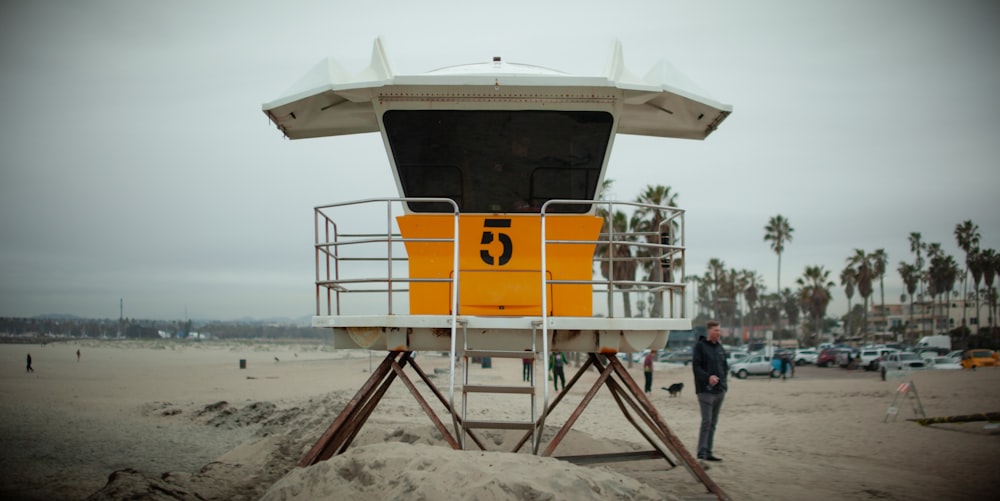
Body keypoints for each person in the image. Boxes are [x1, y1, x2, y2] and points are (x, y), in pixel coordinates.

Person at [692, 320, 727, 462]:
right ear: (709, 331)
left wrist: (724, 384)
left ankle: (708, 452)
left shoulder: (720, 348)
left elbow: (725, 367)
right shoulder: (700, 347)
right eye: (715, 331)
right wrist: (708, 378)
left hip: (720, 391)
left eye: (719, 330)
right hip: (705, 390)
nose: (718, 333)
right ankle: (701, 453)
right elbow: (696, 368)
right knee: (707, 421)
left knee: (713, 423)